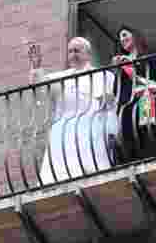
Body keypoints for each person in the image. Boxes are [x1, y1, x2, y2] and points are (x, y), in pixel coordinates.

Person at [30, 37, 116, 185]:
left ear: (88, 54)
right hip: (64, 130)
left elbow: (110, 106)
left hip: (91, 126)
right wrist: (36, 68)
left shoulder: (103, 75)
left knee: (91, 169)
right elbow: (40, 88)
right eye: (70, 51)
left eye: (77, 50)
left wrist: (112, 130)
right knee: (60, 172)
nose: (73, 54)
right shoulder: (60, 77)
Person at [111, 26, 156, 162]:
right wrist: (116, 70)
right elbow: (116, 90)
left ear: (135, 36)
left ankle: (151, 156)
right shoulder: (121, 63)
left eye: (125, 34)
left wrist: (132, 72)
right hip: (126, 107)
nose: (122, 39)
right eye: (120, 37)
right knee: (128, 138)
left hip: (145, 100)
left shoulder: (150, 57)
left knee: (147, 133)